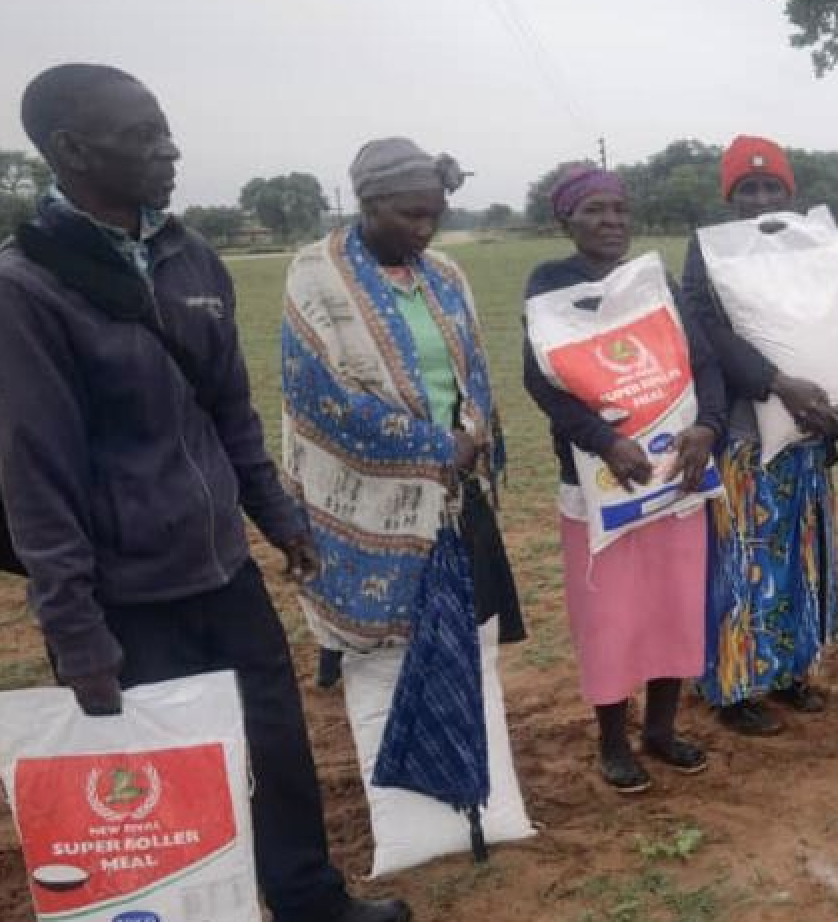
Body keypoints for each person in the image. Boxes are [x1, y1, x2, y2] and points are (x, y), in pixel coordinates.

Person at [0, 64, 407, 922]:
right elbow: (36, 474)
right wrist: (74, 632)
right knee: (160, 777)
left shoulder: (190, 256)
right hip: (124, 596)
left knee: (276, 743)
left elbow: (229, 409)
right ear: (71, 150)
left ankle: (308, 901)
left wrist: (277, 519)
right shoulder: (26, 288)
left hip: (223, 571)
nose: (170, 148)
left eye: (165, 128)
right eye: (143, 135)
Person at [282, 139, 516, 836]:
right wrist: (433, 444)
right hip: (371, 498)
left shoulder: (443, 273)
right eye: (410, 214)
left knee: (466, 636)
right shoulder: (315, 275)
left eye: (434, 215)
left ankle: (477, 785)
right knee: (385, 653)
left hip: (454, 491)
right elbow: (318, 393)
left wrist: (469, 432)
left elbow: (473, 363)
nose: (424, 229)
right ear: (368, 203)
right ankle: (411, 807)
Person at [523, 167, 718, 789]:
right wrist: (605, 440)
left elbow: (703, 360)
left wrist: (708, 426)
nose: (611, 221)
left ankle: (660, 730)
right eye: (594, 211)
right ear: (566, 222)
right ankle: (612, 740)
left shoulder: (653, 281)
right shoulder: (550, 284)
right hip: (599, 483)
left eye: (619, 210)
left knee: (674, 606)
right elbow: (540, 381)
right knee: (608, 617)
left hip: (675, 476)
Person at [681, 136, 838, 736]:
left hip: (806, 433)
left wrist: (834, 402)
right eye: (746, 189)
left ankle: (790, 671)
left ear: (790, 191)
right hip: (746, 433)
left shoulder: (814, 247)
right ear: (730, 199)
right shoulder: (709, 251)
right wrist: (780, 383)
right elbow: (704, 330)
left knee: (800, 551)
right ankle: (734, 683)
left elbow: (833, 322)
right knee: (743, 557)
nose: (759, 199)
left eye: (770, 187)